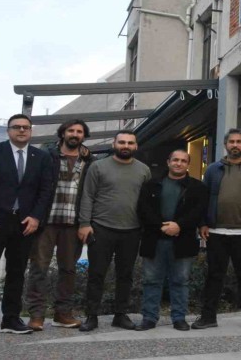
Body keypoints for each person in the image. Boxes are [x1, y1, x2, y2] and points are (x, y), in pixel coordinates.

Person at [0, 114, 54, 340]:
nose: (21, 130)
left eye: (26, 127)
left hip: (24, 224)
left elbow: (46, 191)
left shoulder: (41, 157)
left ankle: (11, 319)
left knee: (16, 273)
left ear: (31, 131)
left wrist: (36, 217)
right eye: (17, 127)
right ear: (8, 131)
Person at [77, 130, 151, 332]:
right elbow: (87, 196)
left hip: (132, 230)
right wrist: (84, 223)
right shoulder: (98, 166)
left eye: (130, 143)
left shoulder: (144, 170)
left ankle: (120, 315)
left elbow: (147, 201)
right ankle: (91, 316)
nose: (126, 146)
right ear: (114, 144)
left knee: (125, 275)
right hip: (101, 228)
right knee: (96, 274)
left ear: (135, 146)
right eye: (122, 142)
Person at [192, 129, 241, 331]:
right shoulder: (213, 170)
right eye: (231, 141)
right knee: (214, 276)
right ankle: (208, 317)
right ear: (225, 145)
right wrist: (203, 223)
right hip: (216, 233)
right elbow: (204, 199)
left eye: (239, 141)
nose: (235, 145)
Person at [26, 119, 93, 331]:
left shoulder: (90, 160)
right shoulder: (46, 155)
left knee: (69, 270)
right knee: (39, 268)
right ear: (63, 133)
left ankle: (63, 313)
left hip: (73, 223)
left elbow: (91, 194)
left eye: (79, 131)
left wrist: (86, 222)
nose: (75, 134)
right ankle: (36, 315)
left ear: (84, 136)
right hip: (46, 221)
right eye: (71, 130)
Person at [134, 150, 208, 332]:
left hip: (183, 240)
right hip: (154, 239)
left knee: (180, 281)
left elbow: (198, 211)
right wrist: (162, 226)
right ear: (168, 162)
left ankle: (179, 318)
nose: (178, 163)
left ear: (188, 164)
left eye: (183, 161)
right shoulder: (151, 185)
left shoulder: (197, 187)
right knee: (151, 280)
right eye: (175, 160)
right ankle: (149, 318)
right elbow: (143, 209)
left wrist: (179, 225)